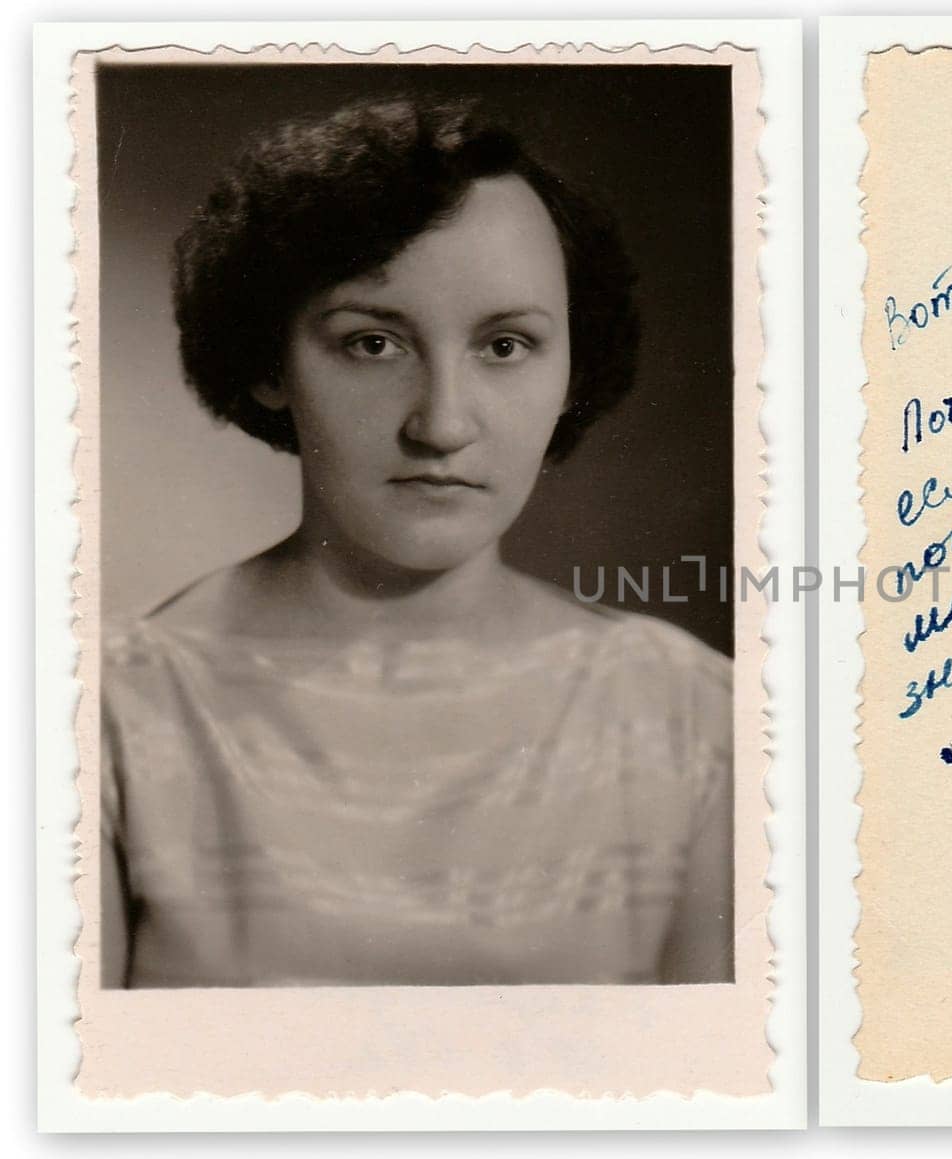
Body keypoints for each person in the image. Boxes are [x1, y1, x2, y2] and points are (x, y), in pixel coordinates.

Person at [99, 97, 734, 988]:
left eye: (506, 345)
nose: (442, 423)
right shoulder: (107, 718)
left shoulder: (695, 721)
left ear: (572, 369)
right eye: (372, 343)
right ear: (269, 362)